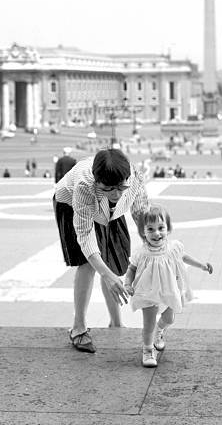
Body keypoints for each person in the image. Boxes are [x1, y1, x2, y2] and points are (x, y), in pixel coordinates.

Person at [54, 148, 149, 353]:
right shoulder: (84, 186)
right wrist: (106, 274)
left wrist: (152, 247)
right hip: (71, 204)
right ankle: (78, 328)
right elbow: (85, 237)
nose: (116, 194)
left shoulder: (133, 177)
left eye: (121, 187)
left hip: (110, 212)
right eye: (109, 188)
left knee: (115, 264)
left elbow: (141, 212)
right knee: (87, 264)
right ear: (97, 181)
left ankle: (116, 323)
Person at [123, 204, 213, 367]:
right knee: (148, 323)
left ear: (168, 228)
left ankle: (159, 332)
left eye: (160, 227)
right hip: (148, 291)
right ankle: (148, 350)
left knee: (169, 318)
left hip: (169, 290)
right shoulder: (141, 252)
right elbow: (131, 269)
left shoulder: (173, 247)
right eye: (150, 229)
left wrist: (201, 265)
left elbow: (184, 257)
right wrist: (127, 283)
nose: (156, 233)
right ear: (143, 232)